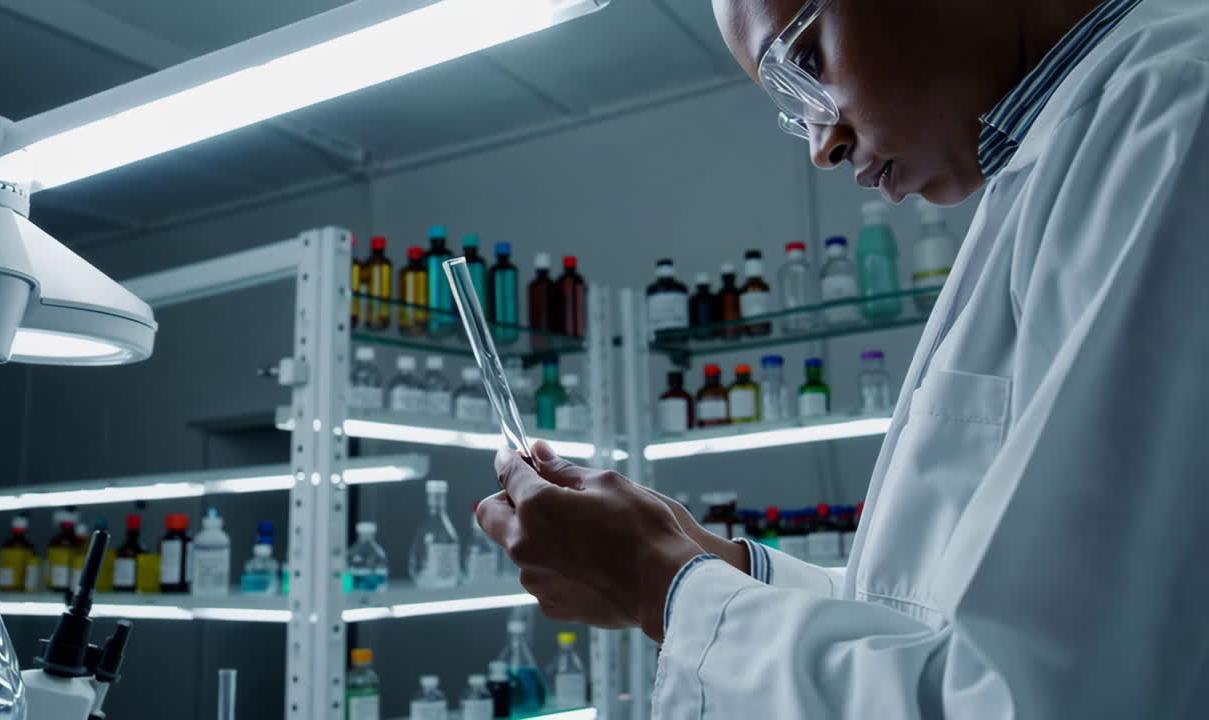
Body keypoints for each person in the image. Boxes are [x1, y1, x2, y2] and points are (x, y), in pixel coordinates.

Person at [477, 0, 1209, 715]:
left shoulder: (1177, 113)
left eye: (804, 61)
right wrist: (706, 562)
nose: (820, 145)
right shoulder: (1048, 165)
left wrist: (657, 581)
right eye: (793, 108)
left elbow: (1045, 695)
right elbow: (936, 628)